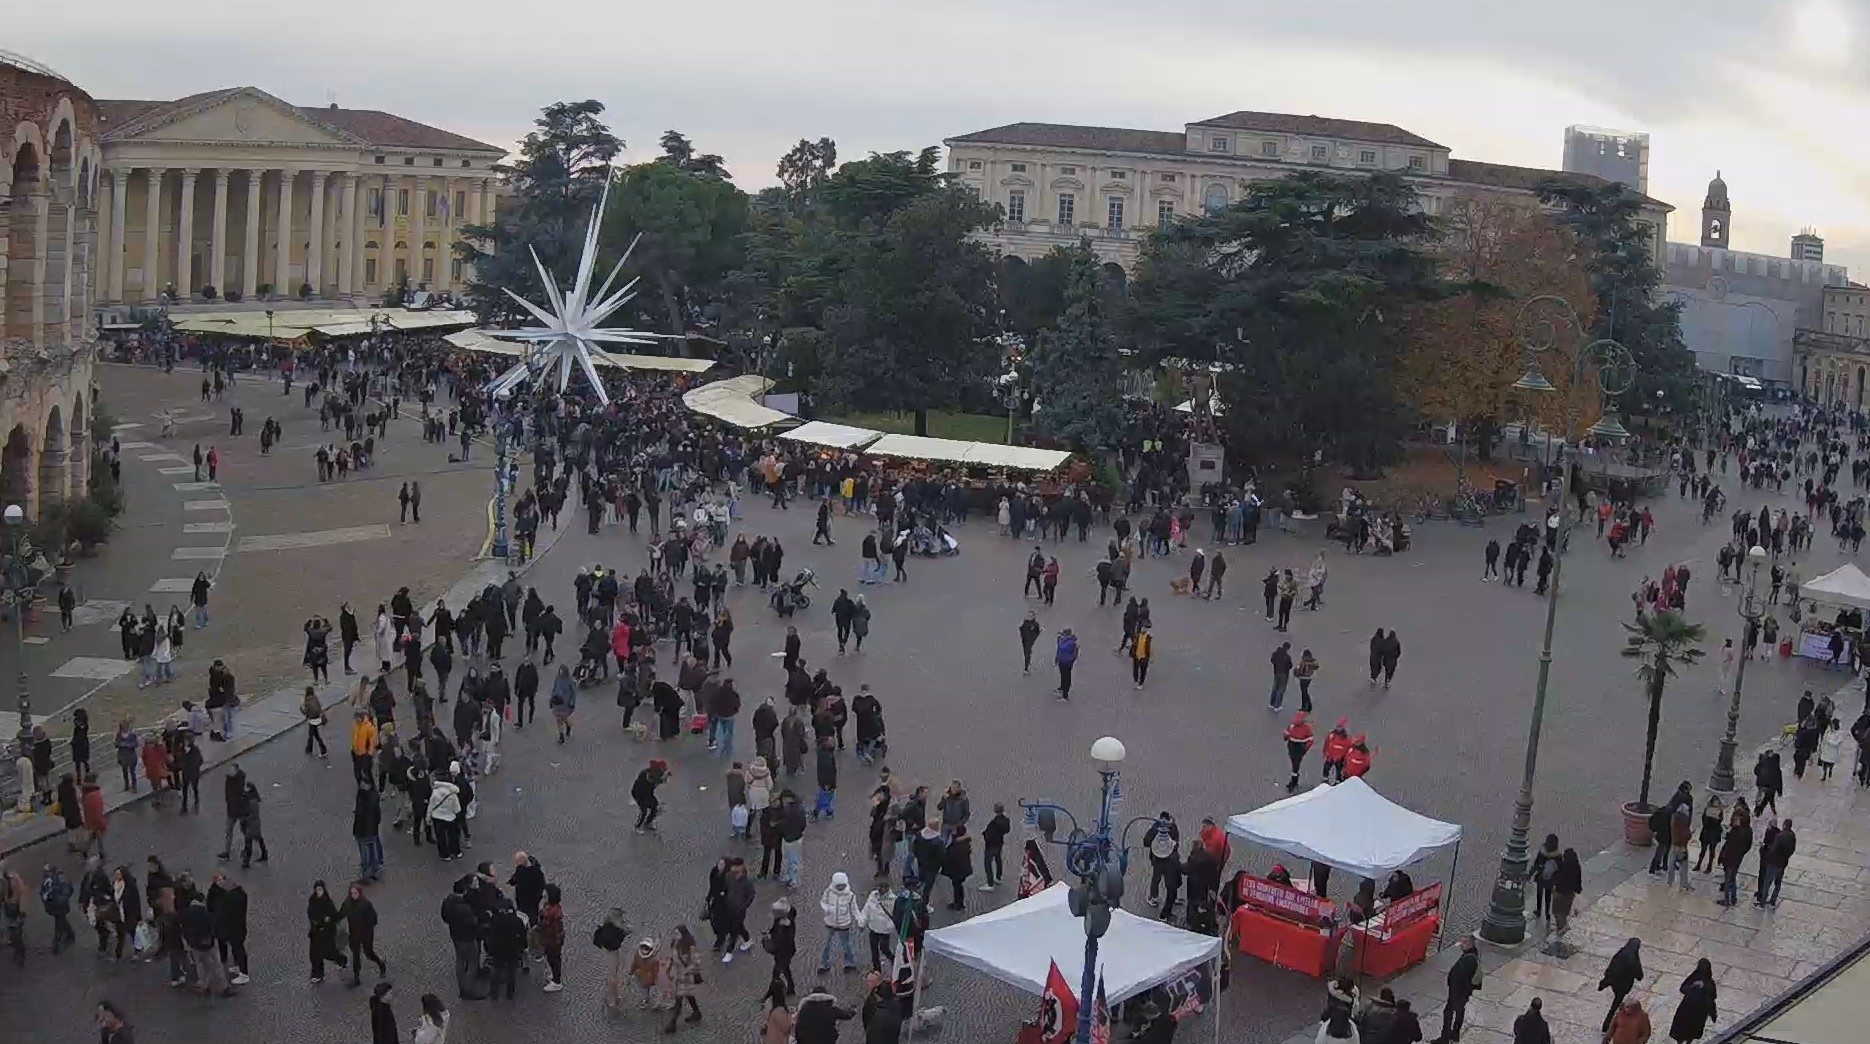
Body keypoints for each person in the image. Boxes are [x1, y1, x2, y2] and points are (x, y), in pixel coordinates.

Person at [1430, 937, 1480, 1044]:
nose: (1461, 946)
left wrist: (1455, 991)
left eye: (1463, 943)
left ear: (1468, 944)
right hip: (1461, 993)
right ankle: (1454, 1036)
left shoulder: (1468, 959)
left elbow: (1460, 978)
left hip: (1458, 993)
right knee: (1458, 1012)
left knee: (1449, 1013)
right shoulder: (1472, 956)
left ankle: (1445, 1038)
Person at [339, 882, 389, 986]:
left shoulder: (366, 904)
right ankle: (356, 977)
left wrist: (366, 929)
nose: (354, 895)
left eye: (356, 893)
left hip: (366, 934)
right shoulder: (347, 903)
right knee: (356, 955)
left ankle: (381, 964)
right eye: (352, 893)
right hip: (354, 934)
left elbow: (373, 919)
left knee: (368, 953)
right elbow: (341, 914)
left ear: (360, 893)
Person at [1598, 938, 1645, 1032]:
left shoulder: (1620, 953)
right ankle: (1606, 1026)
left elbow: (1611, 965)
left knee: (1616, 998)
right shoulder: (1634, 960)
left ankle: (1603, 985)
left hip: (1613, 980)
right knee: (1614, 1006)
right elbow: (1639, 976)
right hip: (1623, 986)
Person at [307, 880, 348, 984]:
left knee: (328, 953)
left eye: (320, 889)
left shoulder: (327, 902)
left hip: (326, 933)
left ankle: (341, 960)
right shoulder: (312, 900)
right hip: (316, 933)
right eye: (317, 889)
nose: (319, 892)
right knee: (314, 955)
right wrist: (318, 921)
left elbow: (333, 916)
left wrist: (328, 919)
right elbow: (311, 914)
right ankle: (317, 974)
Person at [818, 871, 859, 973]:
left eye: (842, 885)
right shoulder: (828, 892)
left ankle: (849, 963)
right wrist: (827, 909)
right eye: (839, 885)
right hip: (830, 922)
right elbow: (823, 902)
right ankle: (824, 964)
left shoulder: (850, 895)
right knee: (826, 945)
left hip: (844, 923)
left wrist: (859, 919)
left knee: (846, 945)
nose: (841, 887)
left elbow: (854, 909)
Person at [1670, 960, 1718, 1044]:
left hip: (1695, 1011)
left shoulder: (1707, 982)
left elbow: (1711, 998)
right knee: (1685, 1029)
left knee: (1689, 1030)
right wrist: (1693, 986)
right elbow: (1683, 989)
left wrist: (1713, 1014)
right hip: (1690, 1009)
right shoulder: (1696, 978)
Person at [1054, 628, 1078, 700]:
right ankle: (1063, 687)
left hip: (1067, 661)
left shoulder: (1070, 642)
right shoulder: (1064, 640)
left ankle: (1065, 695)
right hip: (1062, 660)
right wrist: (1057, 658)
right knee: (1063, 675)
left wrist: (1059, 639)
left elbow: (1063, 647)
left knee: (1066, 676)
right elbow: (1059, 650)